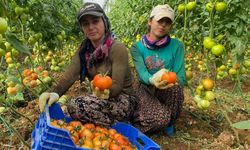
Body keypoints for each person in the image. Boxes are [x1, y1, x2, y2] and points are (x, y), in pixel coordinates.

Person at [38, 2, 137, 127]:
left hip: (123, 98)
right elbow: (71, 74)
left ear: (104, 22)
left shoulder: (117, 48)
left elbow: (117, 86)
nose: (91, 27)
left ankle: (120, 124)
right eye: (86, 24)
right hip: (99, 98)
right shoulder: (84, 50)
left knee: (76, 106)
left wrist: (101, 93)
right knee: (77, 106)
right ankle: (104, 122)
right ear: (82, 28)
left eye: (95, 21)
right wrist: (54, 93)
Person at [130, 4, 186, 134]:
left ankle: (169, 120)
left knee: (176, 87)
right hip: (146, 88)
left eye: (167, 22)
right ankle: (154, 117)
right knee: (159, 120)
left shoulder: (177, 46)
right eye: (160, 21)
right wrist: (153, 80)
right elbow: (142, 73)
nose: (163, 25)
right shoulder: (137, 47)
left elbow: (181, 76)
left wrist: (168, 80)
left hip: (168, 89)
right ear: (150, 21)